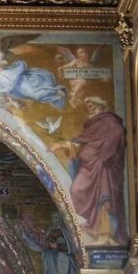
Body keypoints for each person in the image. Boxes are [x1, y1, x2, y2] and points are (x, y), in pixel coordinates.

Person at [52, 97, 127, 244]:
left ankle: (104, 235)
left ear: (101, 104)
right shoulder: (93, 124)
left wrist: (104, 150)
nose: (90, 107)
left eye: (92, 104)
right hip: (89, 167)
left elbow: (118, 132)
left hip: (103, 167)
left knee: (103, 197)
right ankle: (93, 225)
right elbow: (81, 142)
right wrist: (63, 146)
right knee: (76, 189)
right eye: (88, 105)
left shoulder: (109, 120)